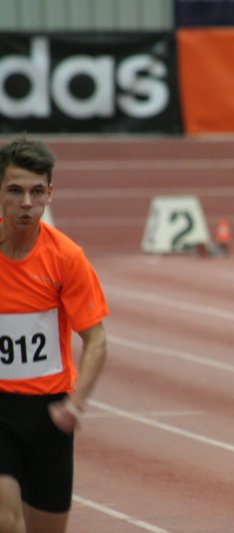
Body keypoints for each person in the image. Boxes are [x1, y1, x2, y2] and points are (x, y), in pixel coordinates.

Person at [0, 137, 109, 533]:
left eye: (35, 192)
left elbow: (95, 339)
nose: (26, 203)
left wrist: (77, 404)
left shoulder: (66, 257)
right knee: (6, 520)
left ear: (50, 193)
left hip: (50, 413)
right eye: (15, 191)